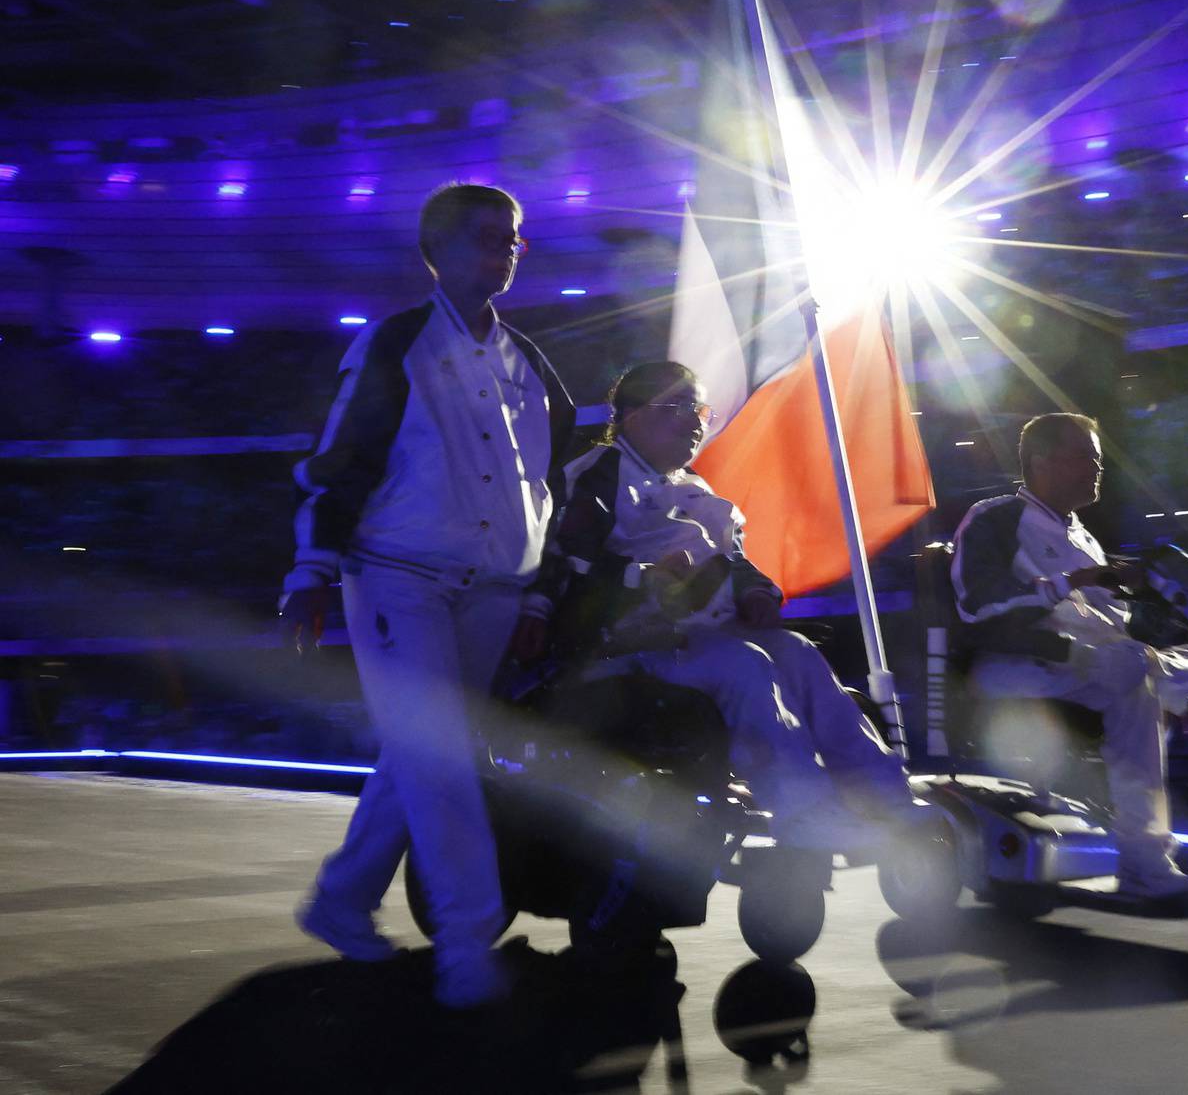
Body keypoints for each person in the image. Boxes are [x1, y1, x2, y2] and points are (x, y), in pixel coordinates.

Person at [280, 183, 573, 1009]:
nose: (507, 248)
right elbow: (338, 459)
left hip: (495, 594)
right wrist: (310, 570)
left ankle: (340, 902)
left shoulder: (532, 365)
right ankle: (468, 945)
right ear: (435, 251)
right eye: (488, 236)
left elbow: (547, 489)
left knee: (420, 752)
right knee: (440, 750)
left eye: (514, 237)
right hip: (396, 577)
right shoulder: (395, 342)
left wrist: (540, 597)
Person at [515, 360, 912, 838]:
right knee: (744, 663)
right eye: (676, 407)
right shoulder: (595, 478)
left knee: (799, 653)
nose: (695, 421)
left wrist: (758, 593)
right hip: (630, 642)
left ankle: (885, 793)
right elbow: (564, 565)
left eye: (698, 408)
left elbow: (735, 560)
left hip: (706, 631)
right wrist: (644, 577)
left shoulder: (694, 486)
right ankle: (803, 809)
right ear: (631, 414)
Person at [949, 412, 1188, 899]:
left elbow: (1114, 623)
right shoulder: (996, 518)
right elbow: (976, 604)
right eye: (1086, 457)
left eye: (1098, 458)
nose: (1097, 467)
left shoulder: (1083, 537)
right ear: (1042, 461)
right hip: (1016, 662)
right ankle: (1144, 861)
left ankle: (1187, 719)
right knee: (1136, 670)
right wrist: (1074, 582)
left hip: (1088, 664)